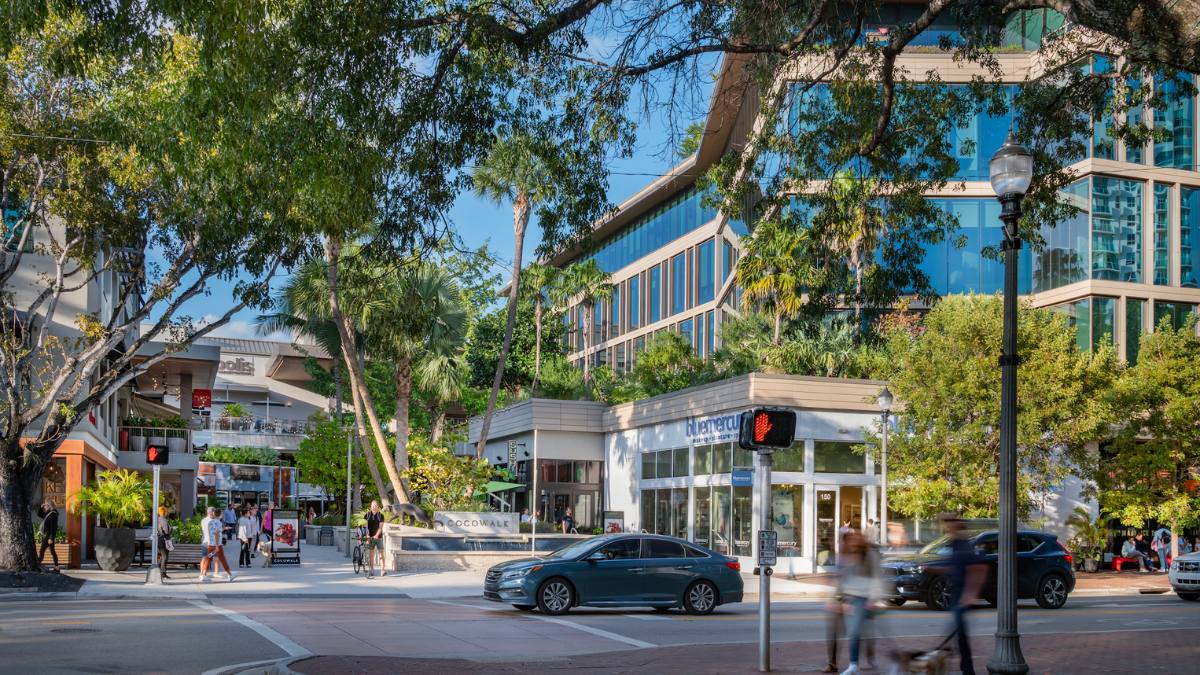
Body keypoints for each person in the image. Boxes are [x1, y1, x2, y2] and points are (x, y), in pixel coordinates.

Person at [941, 515, 985, 675]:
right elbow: (953, 568)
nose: (948, 529)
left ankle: (967, 670)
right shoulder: (954, 545)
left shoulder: (965, 545)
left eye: (951, 526)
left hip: (963, 597)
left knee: (960, 636)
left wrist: (970, 594)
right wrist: (930, 569)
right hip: (956, 595)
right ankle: (963, 668)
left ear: (958, 527)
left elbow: (980, 569)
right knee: (959, 636)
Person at [836, 530, 880, 675]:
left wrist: (872, 598)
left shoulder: (870, 555)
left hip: (864, 598)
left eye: (856, 540)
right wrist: (841, 599)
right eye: (852, 540)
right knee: (857, 632)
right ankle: (858, 662)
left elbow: (876, 576)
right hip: (851, 598)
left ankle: (854, 665)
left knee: (854, 632)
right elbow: (844, 578)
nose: (853, 543)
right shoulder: (849, 555)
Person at [199, 506, 235, 582]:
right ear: (219, 515)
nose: (222, 515)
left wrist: (223, 529)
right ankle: (230, 574)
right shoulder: (218, 522)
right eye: (221, 514)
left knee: (208, 559)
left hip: (209, 544)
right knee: (222, 559)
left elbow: (212, 531)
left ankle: (203, 575)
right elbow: (216, 534)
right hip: (216, 545)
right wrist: (217, 546)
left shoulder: (207, 521)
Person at [364, 500, 386, 578]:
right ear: (371, 506)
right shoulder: (367, 515)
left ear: (378, 507)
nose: (374, 507)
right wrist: (367, 535)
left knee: (381, 553)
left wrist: (376, 535)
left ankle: (383, 570)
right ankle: (372, 569)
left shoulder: (381, 515)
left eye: (375, 505)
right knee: (371, 554)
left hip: (379, 537)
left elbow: (380, 527)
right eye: (372, 505)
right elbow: (365, 527)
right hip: (370, 537)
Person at [37, 499, 60, 572]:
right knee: (52, 551)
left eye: (46, 505)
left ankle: (38, 564)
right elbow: (40, 515)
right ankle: (56, 568)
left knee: (42, 550)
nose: (45, 507)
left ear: (49, 506)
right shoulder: (48, 513)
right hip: (48, 534)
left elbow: (53, 527)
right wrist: (41, 508)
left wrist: (51, 538)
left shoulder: (53, 514)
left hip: (49, 535)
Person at [156, 505, 173, 579]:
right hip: (164, 540)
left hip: (159, 540)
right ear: (164, 512)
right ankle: (162, 573)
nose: (167, 512)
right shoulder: (164, 520)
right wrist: (171, 529)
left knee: (162, 556)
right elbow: (166, 531)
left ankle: (159, 570)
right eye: (166, 511)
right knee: (165, 557)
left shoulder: (158, 519)